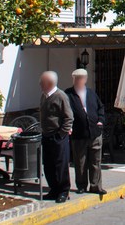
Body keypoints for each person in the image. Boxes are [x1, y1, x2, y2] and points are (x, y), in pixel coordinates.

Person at [65, 69, 106, 195]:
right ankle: (81, 185)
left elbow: (100, 107)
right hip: (79, 133)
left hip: (94, 132)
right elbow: (65, 112)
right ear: (74, 79)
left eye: (82, 77)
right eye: (78, 78)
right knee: (80, 161)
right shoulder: (68, 94)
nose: (80, 80)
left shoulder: (91, 93)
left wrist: (100, 120)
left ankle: (95, 186)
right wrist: (69, 126)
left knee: (95, 161)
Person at [39, 71, 73, 203]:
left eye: (42, 82)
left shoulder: (60, 96)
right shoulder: (44, 96)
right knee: (48, 164)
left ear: (48, 83)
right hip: (46, 135)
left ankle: (64, 191)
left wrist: (61, 134)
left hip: (57, 136)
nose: (40, 84)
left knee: (60, 164)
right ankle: (53, 189)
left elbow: (68, 117)